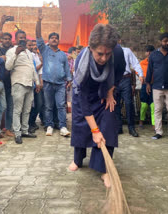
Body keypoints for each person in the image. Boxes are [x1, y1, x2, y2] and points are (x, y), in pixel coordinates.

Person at [69, 24, 125, 188]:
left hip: (104, 91)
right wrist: (95, 130)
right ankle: (78, 160)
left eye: (108, 54)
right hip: (83, 93)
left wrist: (109, 91)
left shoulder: (117, 52)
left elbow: (119, 73)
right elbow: (84, 99)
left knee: (108, 123)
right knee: (81, 124)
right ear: (91, 47)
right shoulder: (82, 61)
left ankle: (104, 169)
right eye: (100, 54)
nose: (104, 58)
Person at [36, 9, 72, 137]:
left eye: (56, 38)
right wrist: (39, 21)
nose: (54, 39)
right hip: (48, 84)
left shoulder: (62, 54)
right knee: (48, 106)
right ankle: (49, 126)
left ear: (58, 41)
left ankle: (62, 127)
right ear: (49, 40)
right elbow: (38, 37)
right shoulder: (44, 50)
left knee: (61, 106)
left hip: (61, 84)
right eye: (52, 38)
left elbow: (67, 68)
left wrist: (69, 80)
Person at [6, 37, 40, 144]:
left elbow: (32, 68)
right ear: (15, 40)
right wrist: (16, 54)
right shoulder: (11, 51)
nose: (22, 41)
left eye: (24, 39)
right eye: (20, 38)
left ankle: (25, 131)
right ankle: (17, 133)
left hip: (30, 84)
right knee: (17, 110)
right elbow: (8, 67)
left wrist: (37, 82)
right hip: (18, 83)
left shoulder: (29, 53)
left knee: (27, 110)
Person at [115, 43, 144, 137]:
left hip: (125, 79)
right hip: (114, 81)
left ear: (119, 40)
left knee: (129, 103)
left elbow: (135, 63)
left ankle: (131, 128)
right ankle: (118, 128)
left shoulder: (126, 51)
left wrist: (140, 74)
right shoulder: (109, 51)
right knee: (116, 105)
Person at [29, 39, 44, 133]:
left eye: (35, 45)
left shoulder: (37, 55)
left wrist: (40, 82)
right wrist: (42, 62)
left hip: (37, 83)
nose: (34, 46)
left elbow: (40, 72)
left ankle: (32, 121)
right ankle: (30, 123)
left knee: (39, 104)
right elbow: (34, 68)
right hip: (30, 83)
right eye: (32, 45)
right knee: (30, 105)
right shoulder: (29, 55)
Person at [139, 45, 155, 129]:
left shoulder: (156, 62)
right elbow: (139, 74)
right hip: (144, 85)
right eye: (147, 51)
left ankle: (154, 124)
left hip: (154, 85)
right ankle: (141, 121)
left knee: (153, 105)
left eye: (150, 51)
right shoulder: (142, 63)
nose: (149, 53)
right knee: (144, 105)